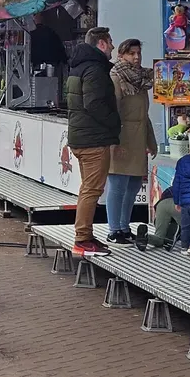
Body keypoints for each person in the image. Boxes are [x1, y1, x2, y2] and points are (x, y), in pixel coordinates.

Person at [65, 27, 121, 257]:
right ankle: (82, 238)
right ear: (100, 44)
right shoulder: (95, 69)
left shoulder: (78, 67)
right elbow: (95, 103)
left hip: (81, 135)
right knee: (92, 189)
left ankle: (85, 234)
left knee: (88, 188)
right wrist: (114, 123)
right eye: (110, 42)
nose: (113, 47)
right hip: (93, 138)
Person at [105, 38, 157, 247]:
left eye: (138, 53)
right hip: (122, 135)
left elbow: (145, 114)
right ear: (121, 55)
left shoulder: (141, 80)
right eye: (131, 54)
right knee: (118, 184)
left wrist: (151, 141)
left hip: (138, 134)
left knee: (134, 184)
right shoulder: (116, 77)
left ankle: (124, 227)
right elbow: (113, 110)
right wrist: (113, 140)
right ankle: (113, 229)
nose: (136, 58)